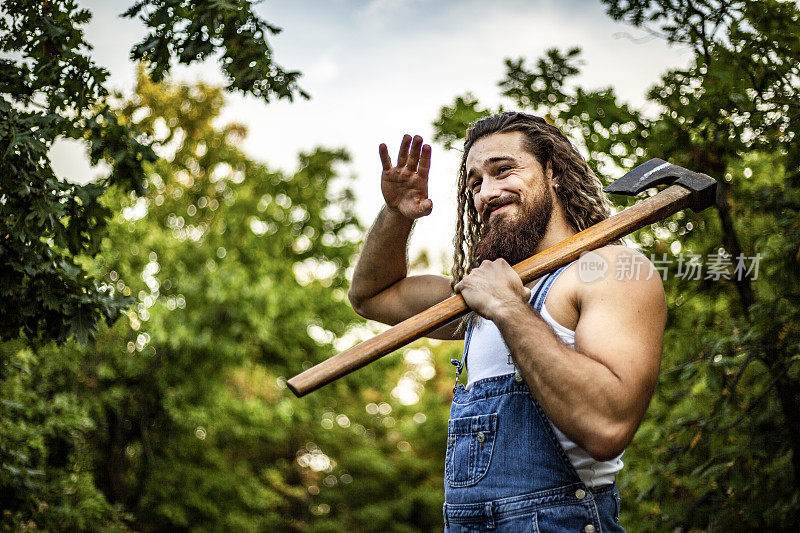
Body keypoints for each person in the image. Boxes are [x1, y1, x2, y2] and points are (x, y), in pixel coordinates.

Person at [348, 112, 666, 532]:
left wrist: (509, 308)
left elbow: (606, 426)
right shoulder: (478, 295)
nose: (486, 192)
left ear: (553, 172)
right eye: (475, 182)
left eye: (503, 170)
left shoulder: (611, 268)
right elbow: (371, 296)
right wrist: (397, 214)